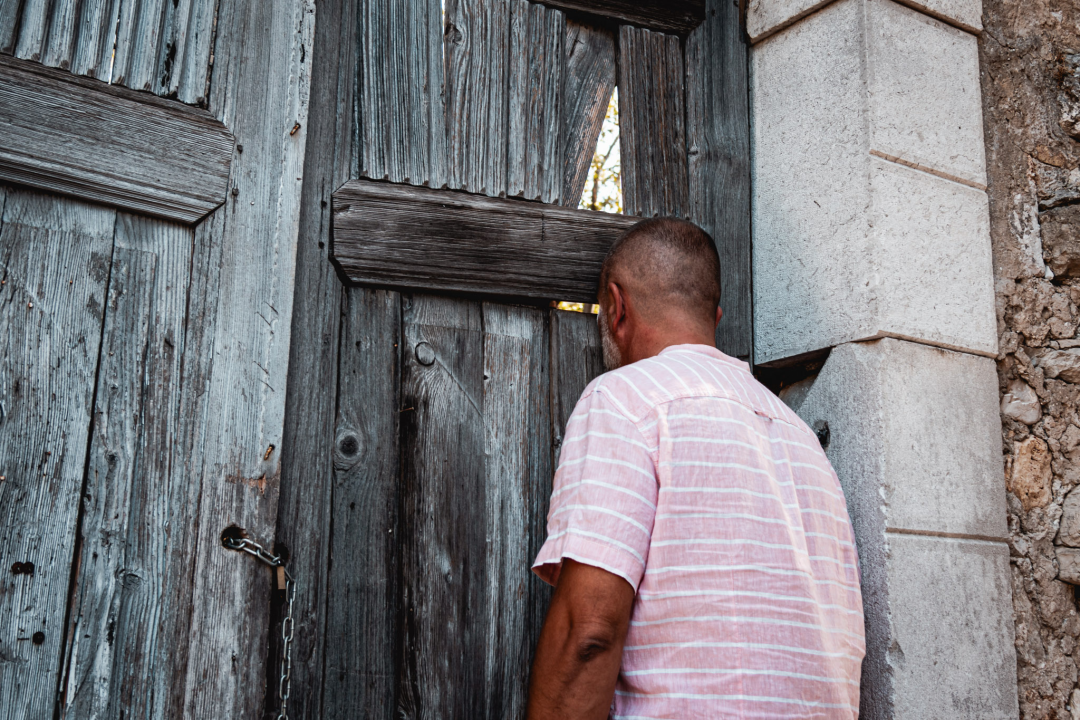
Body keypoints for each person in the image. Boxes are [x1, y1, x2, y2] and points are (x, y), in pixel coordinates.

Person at [525, 218, 865, 719]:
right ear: (716, 316)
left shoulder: (625, 401)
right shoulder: (801, 440)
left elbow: (589, 633)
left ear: (616, 307)